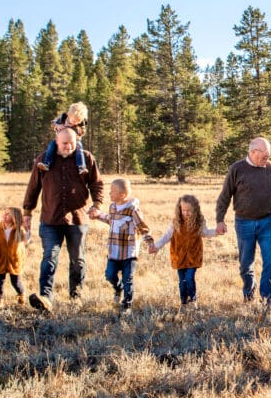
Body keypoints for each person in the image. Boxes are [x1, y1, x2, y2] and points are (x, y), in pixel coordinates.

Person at [23, 126, 104, 312]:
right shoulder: (44, 160)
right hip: (51, 219)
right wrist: (27, 212)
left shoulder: (86, 158)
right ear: (56, 141)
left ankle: (76, 296)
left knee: (78, 259)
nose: (69, 147)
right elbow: (33, 187)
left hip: (77, 219)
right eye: (65, 143)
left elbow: (97, 183)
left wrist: (97, 203)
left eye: (72, 143)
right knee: (49, 257)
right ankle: (45, 298)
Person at [215, 137, 271, 307]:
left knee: (270, 261)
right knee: (245, 265)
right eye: (264, 155)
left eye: (269, 154)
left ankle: (266, 298)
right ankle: (249, 293)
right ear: (253, 152)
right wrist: (220, 220)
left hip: (267, 222)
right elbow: (225, 196)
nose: (267, 158)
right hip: (244, 223)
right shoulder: (237, 169)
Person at [93, 178, 153, 313]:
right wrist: (97, 215)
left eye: (112, 191)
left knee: (128, 279)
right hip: (114, 251)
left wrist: (149, 241)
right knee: (109, 275)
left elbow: (142, 227)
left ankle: (127, 305)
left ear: (122, 194)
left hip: (129, 252)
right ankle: (117, 288)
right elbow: (110, 219)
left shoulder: (133, 209)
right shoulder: (113, 207)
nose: (109, 194)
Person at [149, 194, 220, 309]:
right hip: (179, 255)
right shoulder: (175, 222)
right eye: (183, 210)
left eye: (189, 211)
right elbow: (167, 236)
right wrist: (156, 246)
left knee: (189, 278)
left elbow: (205, 233)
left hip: (193, 255)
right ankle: (184, 302)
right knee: (182, 281)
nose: (186, 213)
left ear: (195, 210)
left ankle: (193, 300)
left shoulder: (199, 222)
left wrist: (216, 231)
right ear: (179, 209)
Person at [0, 206, 30, 309]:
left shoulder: (19, 230)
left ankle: (21, 294)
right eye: (4, 213)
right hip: (0, 259)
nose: (5, 215)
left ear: (15, 217)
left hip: (14, 260)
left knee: (16, 282)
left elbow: (27, 240)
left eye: (8, 214)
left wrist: (27, 230)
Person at [38, 101, 88, 174]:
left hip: (74, 140)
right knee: (51, 146)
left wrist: (78, 131)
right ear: (69, 115)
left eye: (78, 121)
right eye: (74, 121)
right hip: (61, 139)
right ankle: (46, 163)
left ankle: (81, 166)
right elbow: (53, 123)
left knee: (79, 148)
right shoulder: (63, 118)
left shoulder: (81, 123)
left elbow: (83, 132)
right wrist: (57, 126)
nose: (75, 123)